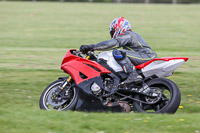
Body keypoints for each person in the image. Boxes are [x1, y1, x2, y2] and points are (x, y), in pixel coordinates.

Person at [80, 17, 157, 85]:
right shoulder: (130, 36)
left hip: (147, 56)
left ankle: (133, 75)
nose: (113, 34)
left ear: (119, 28)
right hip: (144, 57)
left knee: (117, 52)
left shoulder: (129, 34)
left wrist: (92, 47)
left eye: (113, 32)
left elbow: (113, 43)